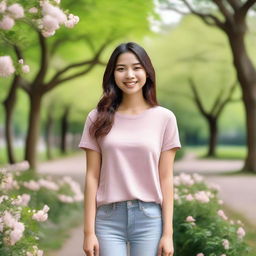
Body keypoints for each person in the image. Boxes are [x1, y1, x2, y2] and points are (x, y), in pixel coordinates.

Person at [79, 42, 181, 256]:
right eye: (121, 68)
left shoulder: (165, 118)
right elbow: (91, 176)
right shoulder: (96, 118)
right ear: (112, 74)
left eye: (136, 67)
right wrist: (88, 231)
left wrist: (168, 234)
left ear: (147, 72)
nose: (129, 74)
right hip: (107, 219)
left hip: (149, 218)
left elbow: (166, 178)